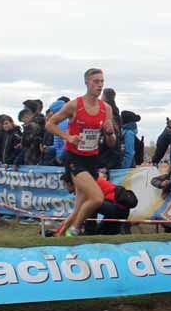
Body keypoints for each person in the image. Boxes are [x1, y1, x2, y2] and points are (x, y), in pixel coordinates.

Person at [45, 68, 118, 237]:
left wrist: (109, 133)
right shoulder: (74, 105)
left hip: (92, 159)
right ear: (86, 83)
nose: (99, 85)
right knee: (96, 198)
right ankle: (75, 230)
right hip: (74, 158)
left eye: (102, 82)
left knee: (80, 205)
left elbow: (111, 143)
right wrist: (67, 137)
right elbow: (50, 124)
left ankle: (59, 234)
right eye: (96, 82)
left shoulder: (106, 108)